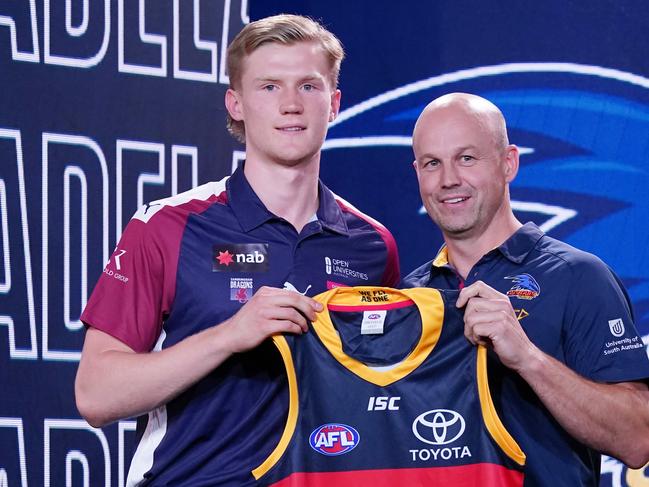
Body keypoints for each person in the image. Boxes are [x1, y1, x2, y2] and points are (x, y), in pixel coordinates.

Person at [75, 14, 399, 486]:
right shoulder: (167, 226)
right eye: (269, 87)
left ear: (334, 104)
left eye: (309, 86)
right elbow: (96, 395)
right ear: (236, 103)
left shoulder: (372, 245)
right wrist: (231, 335)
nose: (291, 105)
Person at [403, 92, 649, 486]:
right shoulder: (409, 298)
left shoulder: (577, 276)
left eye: (467, 158)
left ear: (508, 163)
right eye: (433, 163)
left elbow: (638, 438)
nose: (449, 179)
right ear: (417, 173)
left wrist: (528, 358)